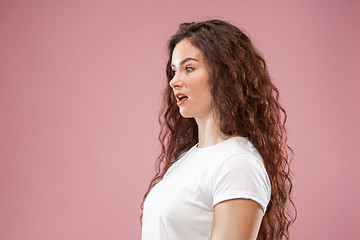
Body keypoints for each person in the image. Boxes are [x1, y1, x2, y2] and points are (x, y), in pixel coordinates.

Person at [140, 19, 296, 240]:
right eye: (173, 71)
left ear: (225, 74)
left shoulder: (237, 163)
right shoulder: (186, 160)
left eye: (189, 68)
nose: (174, 81)